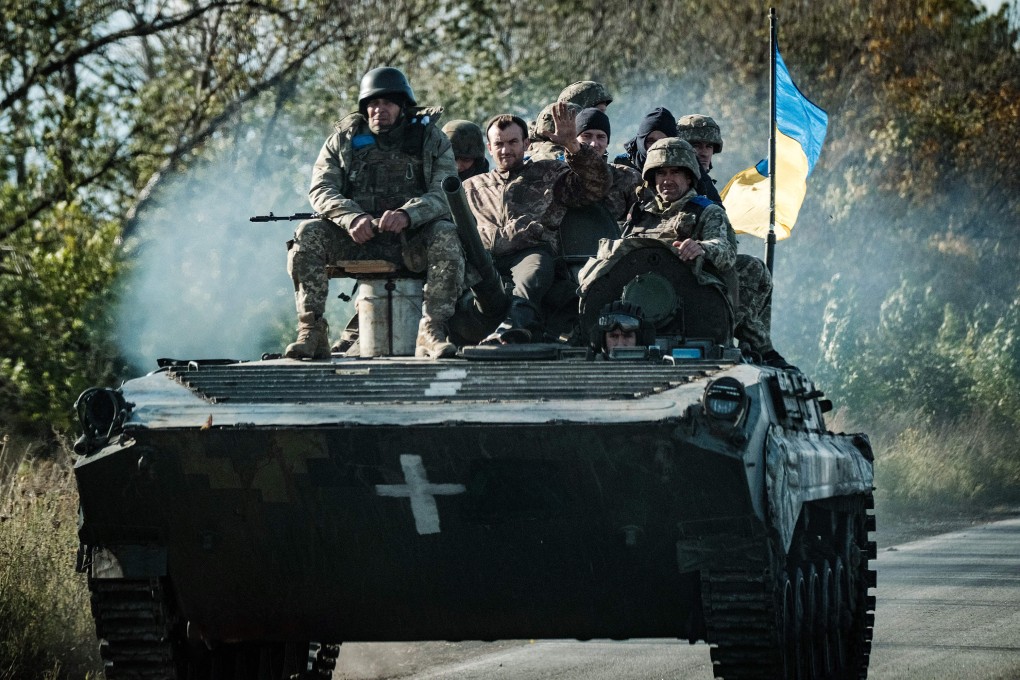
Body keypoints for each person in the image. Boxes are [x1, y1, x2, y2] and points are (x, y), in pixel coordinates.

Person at [285, 66, 465, 360]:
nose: (379, 110)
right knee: (308, 234)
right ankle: (311, 330)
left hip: (411, 241)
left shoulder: (430, 140)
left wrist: (408, 215)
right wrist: (351, 218)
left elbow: (445, 192)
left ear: (402, 106)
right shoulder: (344, 140)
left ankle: (432, 330)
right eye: (373, 103)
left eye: (388, 103)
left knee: (446, 234)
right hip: (357, 239)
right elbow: (321, 190)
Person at [463, 104, 611, 342]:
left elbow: (596, 187)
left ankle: (513, 327)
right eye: (499, 144)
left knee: (535, 271)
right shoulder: (471, 187)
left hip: (529, 253)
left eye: (513, 142)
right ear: (489, 148)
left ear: (526, 144)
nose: (505, 150)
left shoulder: (549, 173)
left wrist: (573, 145)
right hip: (484, 257)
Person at [574, 107, 642, 224]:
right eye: (587, 136)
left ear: (607, 142)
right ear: (575, 139)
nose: (594, 144)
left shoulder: (629, 178)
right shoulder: (561, 176)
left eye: (601, 137)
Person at [675, 113, 723, 204]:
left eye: (709, 146)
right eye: (696, 146)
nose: (704, 153)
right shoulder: (671, 187)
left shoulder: (708, 187)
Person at [617, 106, 678, 172]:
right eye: (651, 141)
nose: (656, 146)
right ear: (641, 142)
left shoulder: (682, 166)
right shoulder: (621, 167)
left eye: (663, 142)